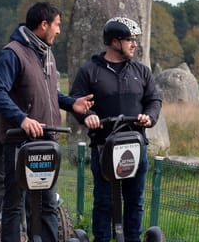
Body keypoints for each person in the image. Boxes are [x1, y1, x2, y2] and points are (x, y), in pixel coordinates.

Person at [0, 2, 92, 242]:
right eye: (57, 25)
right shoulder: (13, 53)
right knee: (13, 206)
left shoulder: (46, 52)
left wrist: (70, 103)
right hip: (19, 142)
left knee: (47, 204)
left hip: (47, 141)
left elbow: (47, 93)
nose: (59, 31)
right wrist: (21, 118)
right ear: (43, 25)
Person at [70, 17, 162, 242]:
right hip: (104, 148)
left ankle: (132, 239)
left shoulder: (141, 71)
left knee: (135, 201)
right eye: (130, 39)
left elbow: (154, 99)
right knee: (104, 201)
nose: (134, 44)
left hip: (135, 146)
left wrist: (149, 117)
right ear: (114, 41)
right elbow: (75, 101)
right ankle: (101, 239)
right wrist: (88, 116)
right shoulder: (90, 72)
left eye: (135, 40)